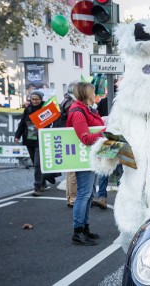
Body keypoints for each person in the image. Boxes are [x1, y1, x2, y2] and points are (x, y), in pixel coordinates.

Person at [66, 82, 106, 246]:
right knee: (84, 194)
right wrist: (105, 132)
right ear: (86, 94)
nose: (94, 93)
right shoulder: (78, 111)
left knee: (88, 194)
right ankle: (78, 231)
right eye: (92, 91)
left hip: (89, 157)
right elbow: (84, 137)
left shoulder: (85, 109)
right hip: (83, 158)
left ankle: (84, 227)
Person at [15, 91, 55, 196]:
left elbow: (52, 122)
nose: (34, 101)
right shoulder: (28, 109)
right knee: (35, 163)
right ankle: (43, 182)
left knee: (38, 164)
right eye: (32, 99)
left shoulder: (46, 109)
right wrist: (17, 135)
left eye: (36, 99)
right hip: (30, 138)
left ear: (41, 99)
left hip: (41, 138)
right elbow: (22, 123)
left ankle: (37, 187)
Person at [59, 81, 79, 207]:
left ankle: (69, 197)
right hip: (70, 138)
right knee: (73, 172)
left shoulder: (65, 100)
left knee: (70, 172)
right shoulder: (71, 103)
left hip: (66, 137)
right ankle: (73, 199)